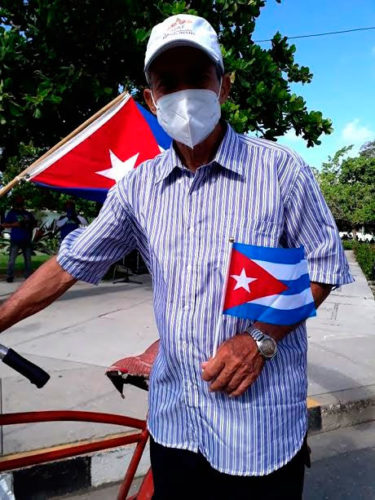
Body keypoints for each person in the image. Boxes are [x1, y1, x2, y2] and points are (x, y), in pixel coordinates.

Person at [0, 14, 354, 499]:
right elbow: (69, 264)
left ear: (224, 86)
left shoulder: (281, 171)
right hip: (175, 423)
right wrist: (2, 316)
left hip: (258, 428)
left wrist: (258, 340)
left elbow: (322, 268)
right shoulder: (138, 188)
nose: (184, 95)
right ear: (151, 98)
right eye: (168, 83)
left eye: (198, 77)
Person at [1, 195, 36, 282]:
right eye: (18, 200)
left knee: (28, 259)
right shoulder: (12, 213)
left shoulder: (28, 213)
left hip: (26, 239)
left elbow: (34, 223)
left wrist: (29, 224)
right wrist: (15, 225)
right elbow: (4, 225)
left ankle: (28, 276)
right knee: (12, 259)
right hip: (15, 239)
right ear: (15, 202)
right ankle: (10, 276)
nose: (20, 202)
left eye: (21, 200)